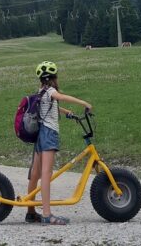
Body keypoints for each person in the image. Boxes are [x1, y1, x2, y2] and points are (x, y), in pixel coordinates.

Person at [25, 61, 92, 225]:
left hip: (41, 134)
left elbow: (50, 104)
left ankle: (31, 212)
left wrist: (66, 112)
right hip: (49, 133)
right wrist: (84, 103)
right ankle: (47, 215)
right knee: (46, 174)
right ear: (53, 78)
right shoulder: (52, 90)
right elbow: (60, 97)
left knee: (36, 174)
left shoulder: (41, 91)